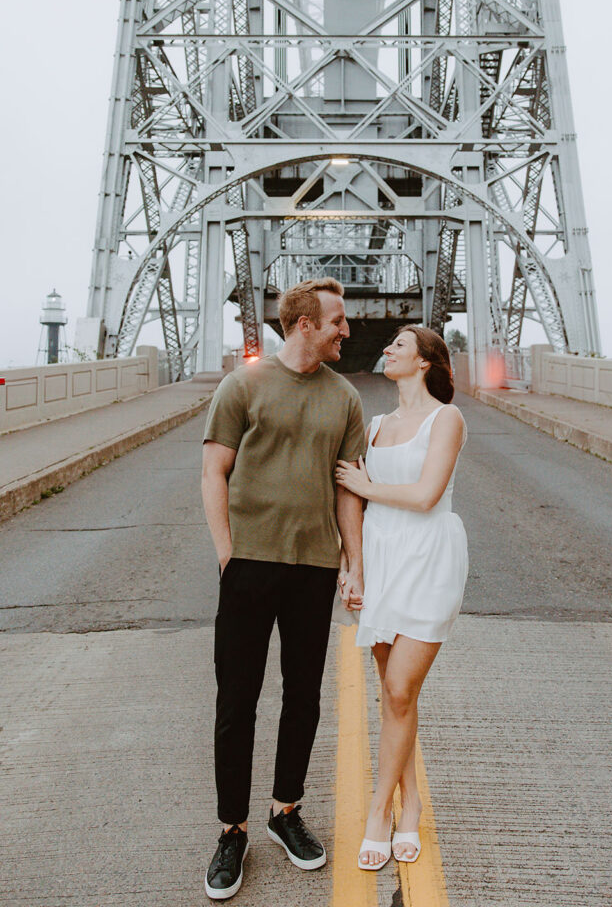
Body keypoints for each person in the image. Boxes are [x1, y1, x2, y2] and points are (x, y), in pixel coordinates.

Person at [201, 277, 365, 900]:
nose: (346, 329)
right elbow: (214, 472)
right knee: (237, 699)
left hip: (314, 567)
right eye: (337, 321)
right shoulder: (243, 386)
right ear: (304, 324)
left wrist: (352, 563)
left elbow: (347, 489)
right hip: (249, 564)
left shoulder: (345, 397)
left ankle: (284, 811)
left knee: (303, 696)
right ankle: (232, 830)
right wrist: (227, 553)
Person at [335, 325, 468, 870]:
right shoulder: (376, 426)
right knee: (396, 699)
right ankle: (409, 803)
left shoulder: (446, 419)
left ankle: (377, 813)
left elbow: (426, 494)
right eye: (388, 344)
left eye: (399, 346)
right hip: (382, 559)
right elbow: (354, 505)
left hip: (429, 558)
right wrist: (353, 568)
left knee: (399, 687)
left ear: (425, 362)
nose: (387, 350)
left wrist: (366, 486)